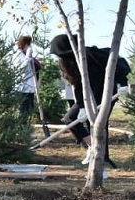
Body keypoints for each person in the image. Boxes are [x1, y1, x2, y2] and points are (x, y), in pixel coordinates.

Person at [49, 33, 124, 167]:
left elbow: (119, 64)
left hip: (106, 94)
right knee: (70, 119)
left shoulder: (91, 56)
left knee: (101, 124)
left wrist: (123, 83)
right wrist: (82, 106)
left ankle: (102, 157)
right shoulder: (69, 62)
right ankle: (94, 148)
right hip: (88, 96)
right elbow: (78, 85)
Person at [12, 35, 41, 120]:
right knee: (23, 110)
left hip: (30, 88)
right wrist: (28, 56)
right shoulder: (17, 56)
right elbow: (20, 69)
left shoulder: (27, 56)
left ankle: (27, 129)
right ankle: (21, 129)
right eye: (28, 44)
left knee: (29, 110)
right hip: (22, 88)